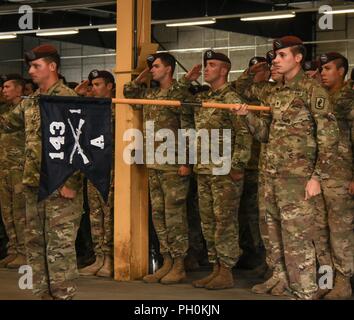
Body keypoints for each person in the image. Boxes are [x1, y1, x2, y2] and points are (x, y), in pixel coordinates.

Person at [233, 36, 339, 299]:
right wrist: (248, 117)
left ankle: (305, 292)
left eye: (282, 56)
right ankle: (287, 286)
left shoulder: (313, 92)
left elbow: (330, 138)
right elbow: (267, 135)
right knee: (275, 237)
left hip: (298, 181)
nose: (275, 61)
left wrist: (317, 177)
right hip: (272, 178)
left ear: (298, 58)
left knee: (298, 241)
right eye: (274, 57)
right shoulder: (277, 93)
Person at [0, 44, 83, 300]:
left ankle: (63, 296)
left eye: (36, 66)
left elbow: (81, 144)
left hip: (60, 186)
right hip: (33, 184)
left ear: (52, 67)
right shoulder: (32, 101)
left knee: (59, 247)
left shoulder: (67, 98)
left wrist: (72, 182)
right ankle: (44, 294)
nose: (31, 71)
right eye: (30, 67)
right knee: (36, 246)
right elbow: (7, 124)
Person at [181, 50, 252, 290]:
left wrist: (238, 166)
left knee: (225, 222)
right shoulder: (208, 98)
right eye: (206, 64)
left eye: (212, 65)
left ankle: (227, 270)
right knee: (208, 221)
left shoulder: (231, 98)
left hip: (224, 171)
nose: (207, 68)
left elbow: (244, 135)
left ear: (224, 70)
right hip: (205, 169)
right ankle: (216, 268)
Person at [124, 52, 194, 284]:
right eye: (151, 68)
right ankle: (166, 260)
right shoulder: (151, 94)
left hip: (174, 165)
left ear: (169, 69)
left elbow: (187, 129)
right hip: (154, 163)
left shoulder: (179, 93)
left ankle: (179, 263)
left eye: (156, 66)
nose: (152, 70)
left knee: (175, 215)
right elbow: (129, 93)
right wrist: (141, 74)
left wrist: (186, 162)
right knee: (158, 215)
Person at [319, 52, 354, 299]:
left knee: (340, 229)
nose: (322, 72)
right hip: (319, 172)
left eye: (328, 68)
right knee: (320, 229)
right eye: (321, 69)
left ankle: (343, 282)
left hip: (341, 173)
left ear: (341, 71)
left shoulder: (349, 97)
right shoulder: (321, 98)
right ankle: (326, 278)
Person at [78, 70, 115, 278]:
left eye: (98, 84)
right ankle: (98, 257)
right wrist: (81, 94)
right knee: (95, 215)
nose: (94, 88)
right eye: (92, 84)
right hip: (92, 168)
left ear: (110, 86)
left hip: (108, 169)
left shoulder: (117, 108)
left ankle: (109, 259)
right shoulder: (91, 108)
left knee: (108, 215)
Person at [0, 74, 26, 269]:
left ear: (19, 89)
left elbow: (9, 124)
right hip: (5, 168)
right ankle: (13, 249)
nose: (4, 90)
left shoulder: (25, 108)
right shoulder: (6, 108)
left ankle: (24, 251)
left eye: (8, 87)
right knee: (7, 211)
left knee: (20, 211)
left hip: (19, 168)